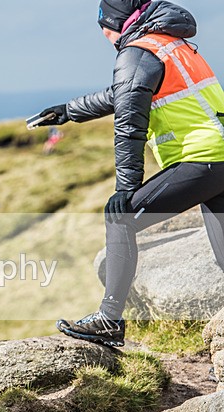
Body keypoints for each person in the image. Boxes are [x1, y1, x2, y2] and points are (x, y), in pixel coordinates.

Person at [33, 0, 224, 346]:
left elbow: (129, 126)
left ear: (113, 25)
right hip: (219, 160)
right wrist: (68, 111)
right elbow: (122, 94)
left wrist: (126, 189)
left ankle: (108, 319)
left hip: (201, 160)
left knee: (120, 218)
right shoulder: (170, 43)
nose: (104, 37)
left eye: (102, 29)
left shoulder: (136, 52)